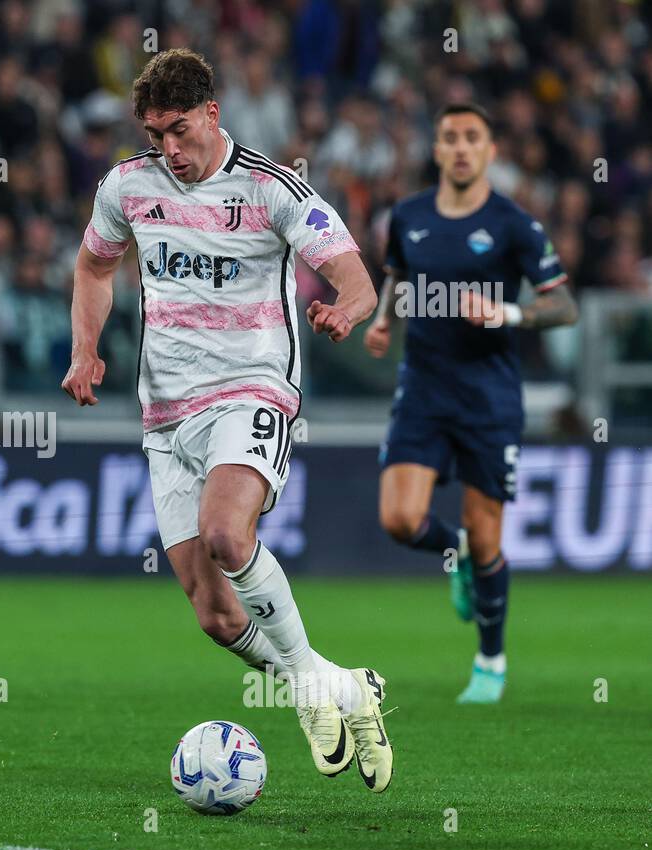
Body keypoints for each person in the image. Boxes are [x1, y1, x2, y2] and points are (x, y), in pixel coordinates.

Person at [62, 50, 393, 791]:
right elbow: (92, 267)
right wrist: (84, 349)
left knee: (226, 531)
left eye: (180, 131)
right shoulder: (127, 186)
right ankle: (340, 686)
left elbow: (356, 278)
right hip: (164, 412)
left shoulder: (274, 190)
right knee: (214, 613)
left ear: (214, 113)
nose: (169, 151)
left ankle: (306, 688)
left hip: (251, 388)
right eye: (155, 136)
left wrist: (345, 309)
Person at [365, 103, 576, 704]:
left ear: (490, 151)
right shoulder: (407, 215)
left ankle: (490, 661)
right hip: (424, 390)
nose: (460, 147)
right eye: (450, 138)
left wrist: (507, 312)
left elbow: (564, 306)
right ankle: (448, 550)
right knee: (400, 520)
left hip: (489, 397)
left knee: (489, 540)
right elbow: (397, 275)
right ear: (437, 150)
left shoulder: (513, 224)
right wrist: (383, 322)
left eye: (472, 138)